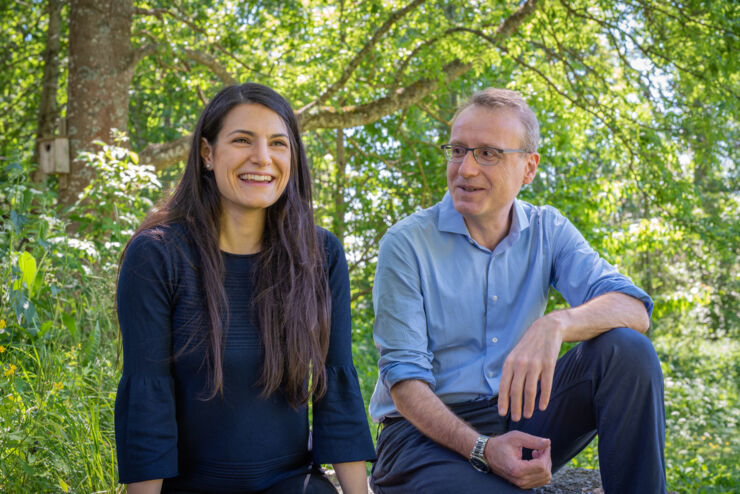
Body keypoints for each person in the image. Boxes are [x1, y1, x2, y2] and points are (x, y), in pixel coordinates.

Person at [368, 88, 666, 493]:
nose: (466, 169)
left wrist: (557, 324)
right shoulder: (406, 243)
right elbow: (404, 383)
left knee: (627, 352)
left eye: (488, 153)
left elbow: (634, 310)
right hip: (421, 436)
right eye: (458, 151)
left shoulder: (548, 229)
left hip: (520, 416)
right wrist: (484, 448)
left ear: (529, 168)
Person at [115, 83, 375, 494]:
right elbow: (148, 400)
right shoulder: (157, 256)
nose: (262, 158)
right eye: (242, 140)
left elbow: (336, 383)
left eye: (278, 143)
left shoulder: (319, 254)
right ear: (206, 154)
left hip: (292, 484)